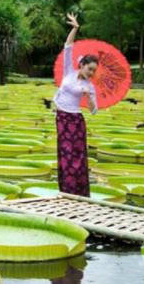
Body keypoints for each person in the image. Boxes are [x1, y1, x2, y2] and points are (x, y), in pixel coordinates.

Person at [53, 13, 98, 197]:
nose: (91, 73)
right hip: (62, 118)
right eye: (89, 69)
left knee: (77, 156)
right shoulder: (68, 72)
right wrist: (75, 28)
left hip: (76, 121)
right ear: (82, 66)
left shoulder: (89, 86)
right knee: (65, 154)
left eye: (94, 71)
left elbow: (94, 111)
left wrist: (89, 98)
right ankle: (66, 190)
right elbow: (68, 47)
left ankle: (78, 192)